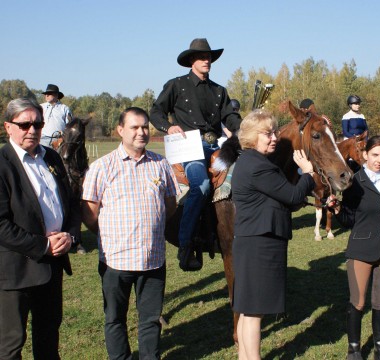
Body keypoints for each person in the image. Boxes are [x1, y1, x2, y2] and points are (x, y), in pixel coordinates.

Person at [81, 107, 179, 359]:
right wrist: (111, 237)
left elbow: (169, 205)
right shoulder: (102, 167)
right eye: (134, 127)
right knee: (115, 318)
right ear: (120, 130)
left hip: (153, 259)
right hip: (116, 260)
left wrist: (150, 225)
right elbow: (90, 213)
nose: (141, 132)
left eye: (145, 127)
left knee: (150, 320)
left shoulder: (161, 164)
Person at [150, 38, 242, 271]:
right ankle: (186, 245)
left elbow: (229, 117)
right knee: (200, 187)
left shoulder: (219, 90)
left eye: (209, 57)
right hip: (189, 147)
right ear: (192, 61)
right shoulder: (176, 85)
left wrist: (244, 127)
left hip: (216, 147)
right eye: (202, 57)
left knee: (245, 176)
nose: (207, 60)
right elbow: (156, 111)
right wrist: (168, 127)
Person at [231, 109, 316, 359]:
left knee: (248, 311)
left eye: (275, 132)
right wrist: (308, 173)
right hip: (261, 243)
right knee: (254, 311)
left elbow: (282, 199)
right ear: (250, 136)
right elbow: (291, 195)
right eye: (267, 133)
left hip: (252, 241)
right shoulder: (258, 165)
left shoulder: (250, 161)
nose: (274, 137)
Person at [0, 97, 78, 359]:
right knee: (11, 344)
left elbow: (71, 203)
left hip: (52, 266)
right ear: (8, 127)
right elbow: (1, 224)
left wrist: (70, 235)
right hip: (15, 271)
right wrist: (44, 245)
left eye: (38, 124)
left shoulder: (52, 157)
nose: (32, 130)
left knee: (48, 337)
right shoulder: (2, 164)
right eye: (24, 125)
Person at [327, 135, 380, 360]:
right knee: (358, 301)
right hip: (361, 250)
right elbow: (348, 219)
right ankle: (354, 350)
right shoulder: (355, 182)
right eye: (375, 155)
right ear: (365, 155)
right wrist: (336, 210)